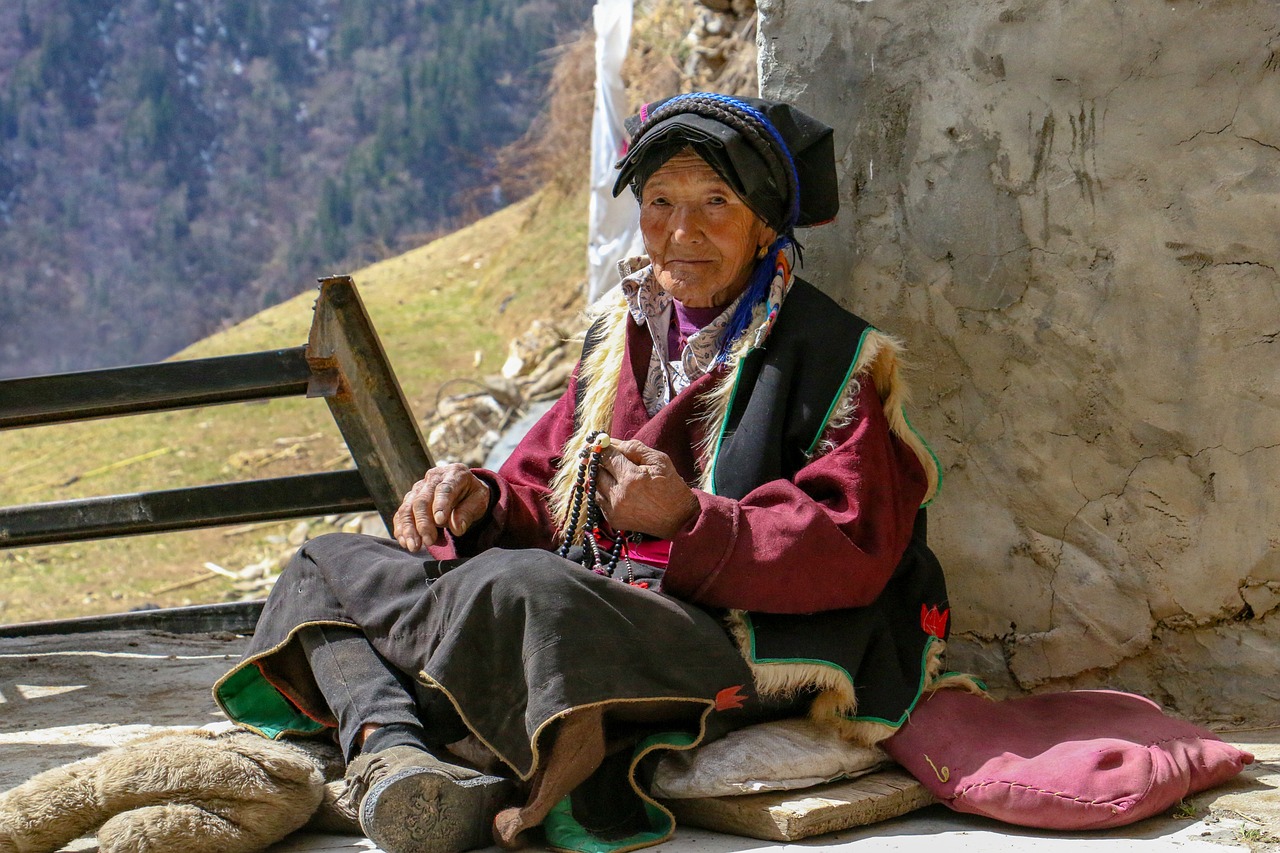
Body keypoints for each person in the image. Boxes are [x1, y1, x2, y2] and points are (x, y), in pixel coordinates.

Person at [213, 92, 958, 853]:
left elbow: (855, 544)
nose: (680, 231)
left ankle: (460, 740)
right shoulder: (622, 331)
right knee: (325, 562)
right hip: (577, 609)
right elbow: (543, 487)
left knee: (520, 590)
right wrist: (479, 495)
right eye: (660, 201)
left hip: (720, 635)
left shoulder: (833, 356)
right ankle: (392, 749)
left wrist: (688, 522)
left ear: (765, 223)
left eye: (715, 203)